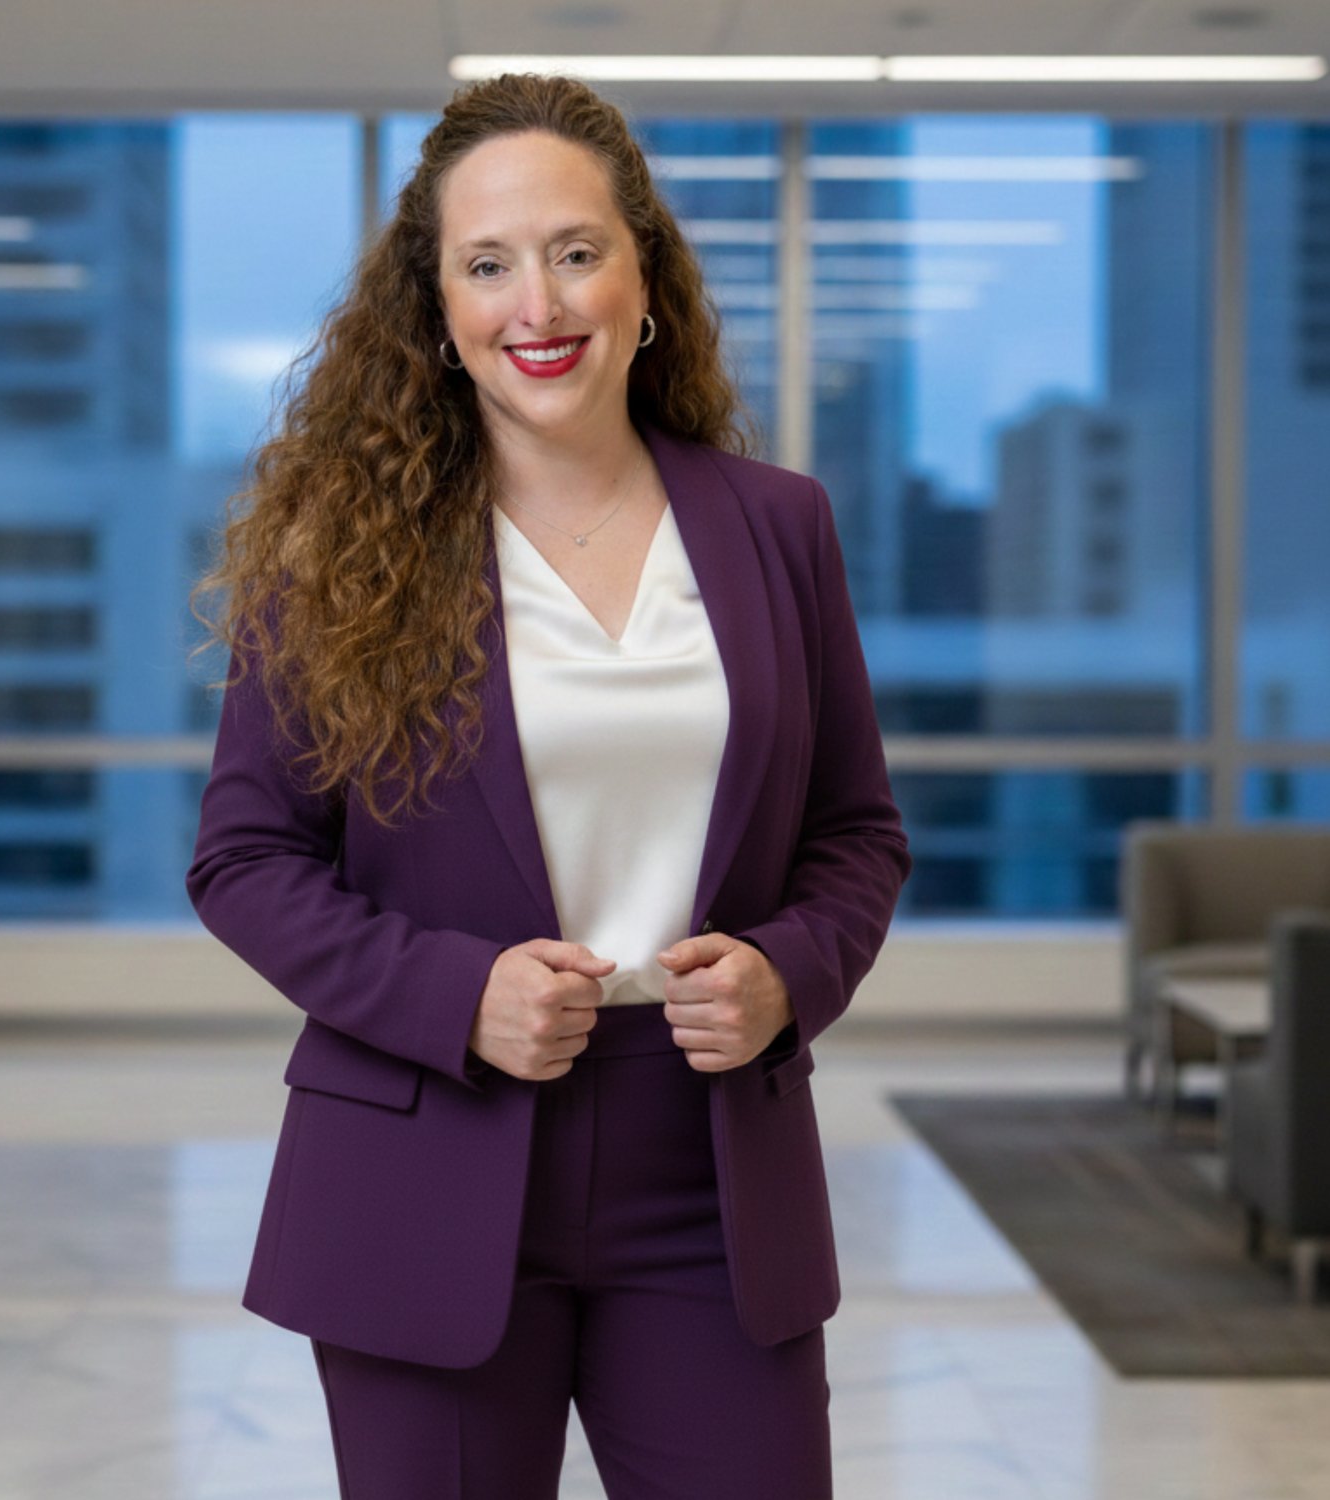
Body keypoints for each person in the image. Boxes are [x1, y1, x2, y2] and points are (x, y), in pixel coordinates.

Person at [186, 70, 912, 1500]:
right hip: (423, 1157)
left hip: (712, 1173)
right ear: (436, 310)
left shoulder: (780, 528)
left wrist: (787, 973)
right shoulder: (336, 548)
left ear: (645, 280)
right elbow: (245, 860)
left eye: (577, 251)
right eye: (488, 264)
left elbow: (856, 832)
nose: (540, 303)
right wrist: (457, 995)